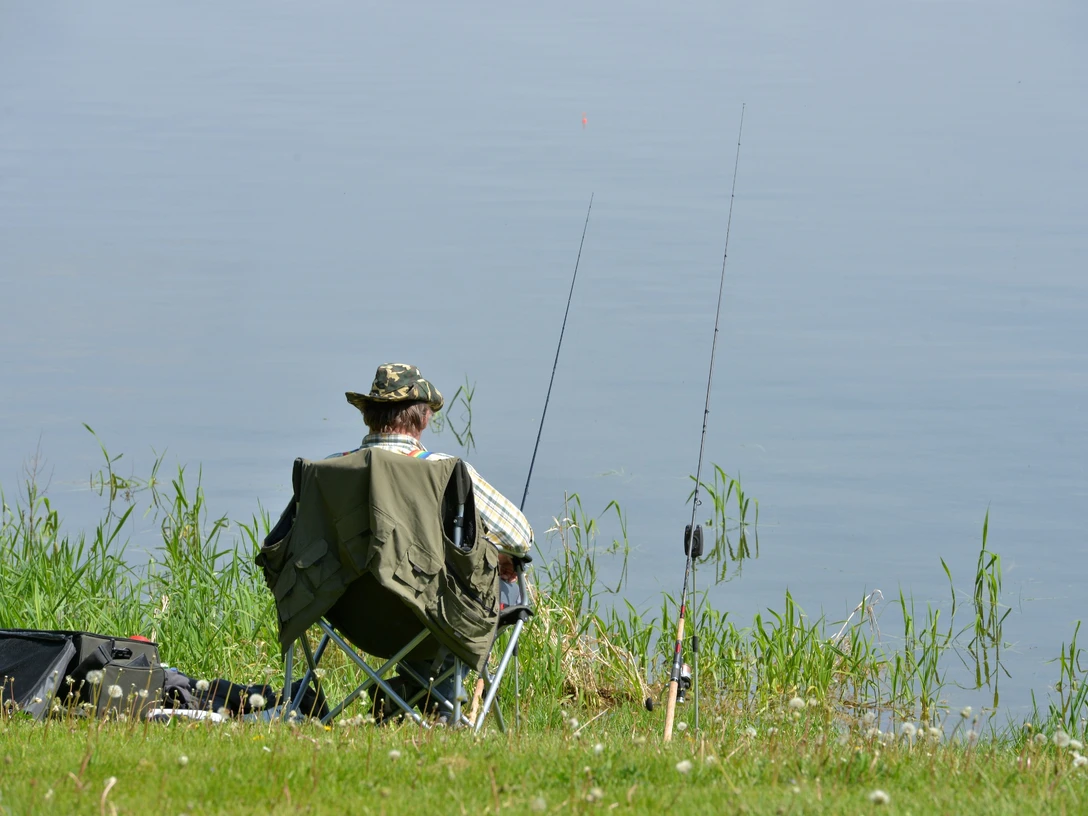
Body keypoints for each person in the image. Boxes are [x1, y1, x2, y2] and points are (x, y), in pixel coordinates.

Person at [330, 363, 532, 718]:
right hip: (432, 616)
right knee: (506, 587)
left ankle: (412, 694)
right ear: (422, 419)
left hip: (349, 618)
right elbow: (520, 537)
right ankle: (435, 701)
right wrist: (492, 551)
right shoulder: (442, 469)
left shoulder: (332, 470)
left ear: (368, 416)